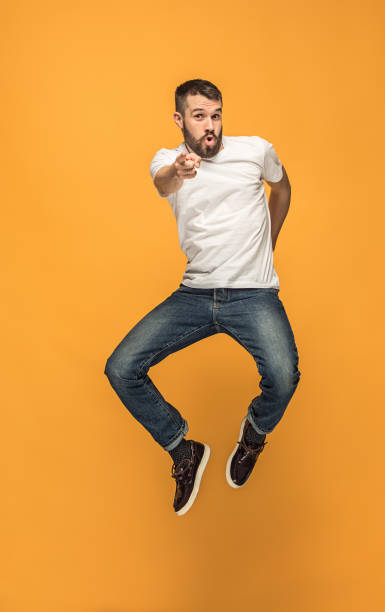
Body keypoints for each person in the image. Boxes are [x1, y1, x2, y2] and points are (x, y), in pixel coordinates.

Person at [104, 78, 301, 517]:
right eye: (199, 117)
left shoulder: (254, 150)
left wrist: (267, 244)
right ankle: (182, 448)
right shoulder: (166, 161)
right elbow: (162, 183)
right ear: (180, 120)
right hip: (195, 294)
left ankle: (253, 435)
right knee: (120, 368)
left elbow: (282, 188)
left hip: (253, 294)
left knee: (284, 376)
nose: (209, 126)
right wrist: (179, 171)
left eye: (215, 115)